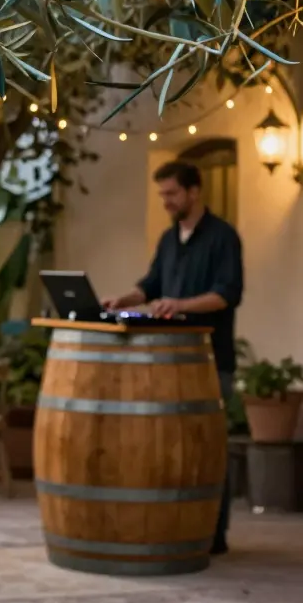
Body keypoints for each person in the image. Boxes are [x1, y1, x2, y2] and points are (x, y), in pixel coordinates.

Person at [100, 160, 244, 555]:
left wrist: (180, 304)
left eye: (172, 194)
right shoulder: (168, 239)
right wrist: (122, 300)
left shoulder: (223, 237)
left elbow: (227, 294)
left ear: (194, 192)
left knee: (210, 446)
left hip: (212, 360)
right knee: (174, 445)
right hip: (169, 362)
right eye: (162, 194)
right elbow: (151, 286)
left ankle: (214, 536)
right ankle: (174, 527)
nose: (165, 201)